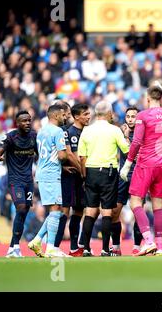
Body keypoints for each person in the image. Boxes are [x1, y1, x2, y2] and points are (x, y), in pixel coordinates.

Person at [120, 82, 162, 256]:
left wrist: (128, 164)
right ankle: (159, 246)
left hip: (145, 163)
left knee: (135, 202)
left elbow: (136, 142)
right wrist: (161, 88)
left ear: (148, 98)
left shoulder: (143, 115)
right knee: (158, 206)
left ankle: (148, 241)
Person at [78, 101, 130, 256]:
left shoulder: (87, 131)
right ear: (109, 113)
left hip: (90, 172)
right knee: (107, 211)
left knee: (90, 211)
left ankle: (86, 248)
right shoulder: (114, 130)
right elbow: (127, 150)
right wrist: (126, 136)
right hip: (108, 172)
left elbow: (82, 157)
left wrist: (84, 175)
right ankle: (105, 249)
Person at [0, 111, 37, 258]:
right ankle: (16, 246)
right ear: (17, 123)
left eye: (29, 120)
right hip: (15, 181)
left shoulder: (34, 136)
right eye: (24, 121)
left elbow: (41, 154)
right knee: (21, 206)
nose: (27, 123)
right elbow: (0, 147)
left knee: (24, 212)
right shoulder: (11, 136)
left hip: (29, 181)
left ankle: (13, 246)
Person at [27, 104, 68, 258]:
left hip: (42, 172)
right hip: (51, 173)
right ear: (56, 116)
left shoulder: (41, 131)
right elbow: (63, 156)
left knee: (54, 210)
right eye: (63, 115)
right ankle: (50, 247)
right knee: (56, 210)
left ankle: (37, 240)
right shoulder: (58, 131)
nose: (65, 117)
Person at [60, 103, 91, 257]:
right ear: (77, 116)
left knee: (79, 211)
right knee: (67, 211)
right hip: (72, 177)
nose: (89, 116)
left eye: (89, 113)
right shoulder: (70, 132)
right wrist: (84, 173)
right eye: (85, 114)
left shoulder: (88, 132)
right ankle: (58, 246)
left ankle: (75, 247)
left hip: (82, 177)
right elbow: (72, 155)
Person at [110, 106, 138, 256]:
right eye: (128, 116)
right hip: (122, 176)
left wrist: (127, 136)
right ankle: (115, 246)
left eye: (133, 116)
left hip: (138, 176)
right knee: (115, 212)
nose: (130, 119)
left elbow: (136, 155)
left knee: (137, 211)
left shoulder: (143, 133)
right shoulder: (119, 132)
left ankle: (138, 246)